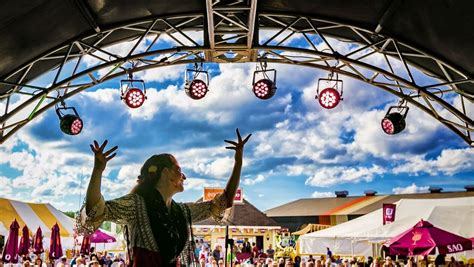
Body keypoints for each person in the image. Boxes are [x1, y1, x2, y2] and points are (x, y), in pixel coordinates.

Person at [77, 129, 251, 266]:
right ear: (166, 173)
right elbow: (95, 210)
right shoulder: (136, 205)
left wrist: (238, 163)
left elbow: (225, 202)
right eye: (179, 170)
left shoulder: (182, 211)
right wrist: (98, 170)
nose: (184, 177)